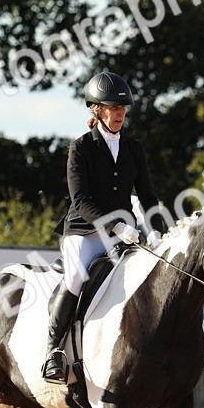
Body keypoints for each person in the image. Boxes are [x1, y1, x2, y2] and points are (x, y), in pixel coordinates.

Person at [42, 71, 168, 384]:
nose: (120, 114)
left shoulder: (134, 148)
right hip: (85, 232)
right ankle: (53, 351)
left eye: (123, 110)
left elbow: (148, 196)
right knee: (75, 279)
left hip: (126, 235)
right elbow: (80, 199)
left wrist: (160, 231)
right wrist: (115, 226)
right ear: (97, 109)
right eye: (113, 109)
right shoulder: (81, 148)